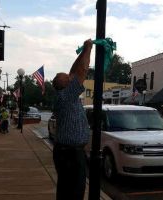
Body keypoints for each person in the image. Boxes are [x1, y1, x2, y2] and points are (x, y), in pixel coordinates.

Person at [52, 39, 93, 200]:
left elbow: (74, 72)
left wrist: (82, 51)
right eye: (69, 79)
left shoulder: (64, 95)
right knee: (74, 192)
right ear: (66, 85)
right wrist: (88, 49)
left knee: (65, 189)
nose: (72, 78)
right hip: (70, 154)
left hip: (67, 152)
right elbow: (81, 71)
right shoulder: (66, 96)